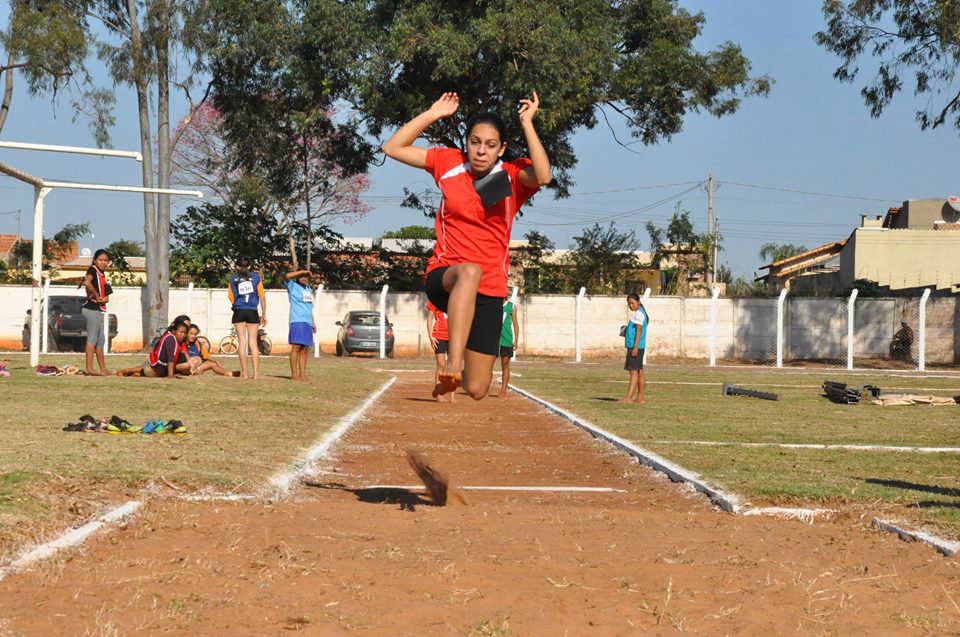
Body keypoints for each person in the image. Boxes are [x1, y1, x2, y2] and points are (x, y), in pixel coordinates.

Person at [382, 91, 551, 400]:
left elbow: (543, 175)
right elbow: (392, 147)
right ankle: (452, 365)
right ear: (466, 143)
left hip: (490, 289)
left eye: (490, 145)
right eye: (475, 142)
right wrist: (432, 113)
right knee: (469, 272)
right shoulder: (448, 162)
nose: (481, 151)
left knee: (476, 389)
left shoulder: (511, 178)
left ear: (501, 149)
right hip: (446, 276)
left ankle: (454, 380)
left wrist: (527, 123)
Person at [228, 261, 267, 379]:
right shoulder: (256, 278)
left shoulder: (233, 278)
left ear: (237, 266)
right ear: (249, 266)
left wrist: (236, 305)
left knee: (242, 342)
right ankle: (255, 374)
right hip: (252, 311)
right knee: (253, 343)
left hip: (239, 311)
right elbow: (262, 297)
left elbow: (231, 297)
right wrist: (264, 314)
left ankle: (244, 373)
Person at [116, 318, 189, 378]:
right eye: (181, 332)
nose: (183, 335)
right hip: (157, 366)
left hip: (161, 368)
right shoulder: (170, 338)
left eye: (185, 333)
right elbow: (170, 358)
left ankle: (130, 372)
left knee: (140, 373)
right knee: (143, 371)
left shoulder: (177, 341)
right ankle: (126, 371)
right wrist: (171, 376)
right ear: (174, 331)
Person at [79, 249, 112, 376]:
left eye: (106, 260)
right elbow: (87, 282)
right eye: (101, 260)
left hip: (98, 309)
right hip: (91, 308)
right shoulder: (92, 270)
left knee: (101, 340)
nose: (103, 262)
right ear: (94, 260)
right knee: (92, 338)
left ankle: (103, 369)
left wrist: (103, 299)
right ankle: (88, 368)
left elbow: (107, 297)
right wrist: (97, 295)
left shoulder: (103, 275)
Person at [285, 269, 316, 381]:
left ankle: (302, 374)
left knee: (305, 349)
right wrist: (302, 271)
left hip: (307, 322)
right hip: (297, 320)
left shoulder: (308, 289)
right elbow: (287, 275)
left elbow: (309, 307)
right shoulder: (293, 286)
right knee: (296, 347)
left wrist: (313, 322)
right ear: (297, 277)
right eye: (302, 276)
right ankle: (294, 375)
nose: (304, 279)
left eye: (306, 277)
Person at [622, 293, 649, 405]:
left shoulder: (639, 314)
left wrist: (635, 348)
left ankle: (628, 398)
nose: (630, 306)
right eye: (629, 304)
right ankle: (640, 398)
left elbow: (638, 331)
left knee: (633, 372)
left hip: (635, 347)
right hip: (638, 346)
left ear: (638, 302)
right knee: (639, 371)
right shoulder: (642, 312)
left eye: (632, 303)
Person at [426, 301, 454, 403]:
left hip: (454, 337)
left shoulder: (457, 297)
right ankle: (439, 394)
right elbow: (429, 318)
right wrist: (431, 337)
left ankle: (452, 396)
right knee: (441, 364)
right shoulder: (435, 299)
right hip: (439, 336)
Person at [495, 299, 519, 398]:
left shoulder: (511, 306)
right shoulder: (493, 304)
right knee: (488, 364)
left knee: (505, 364)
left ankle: (503, 390)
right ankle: (484, 389)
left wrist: (516, 340)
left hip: (507, 340)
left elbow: (515, 324)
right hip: (494, 339)